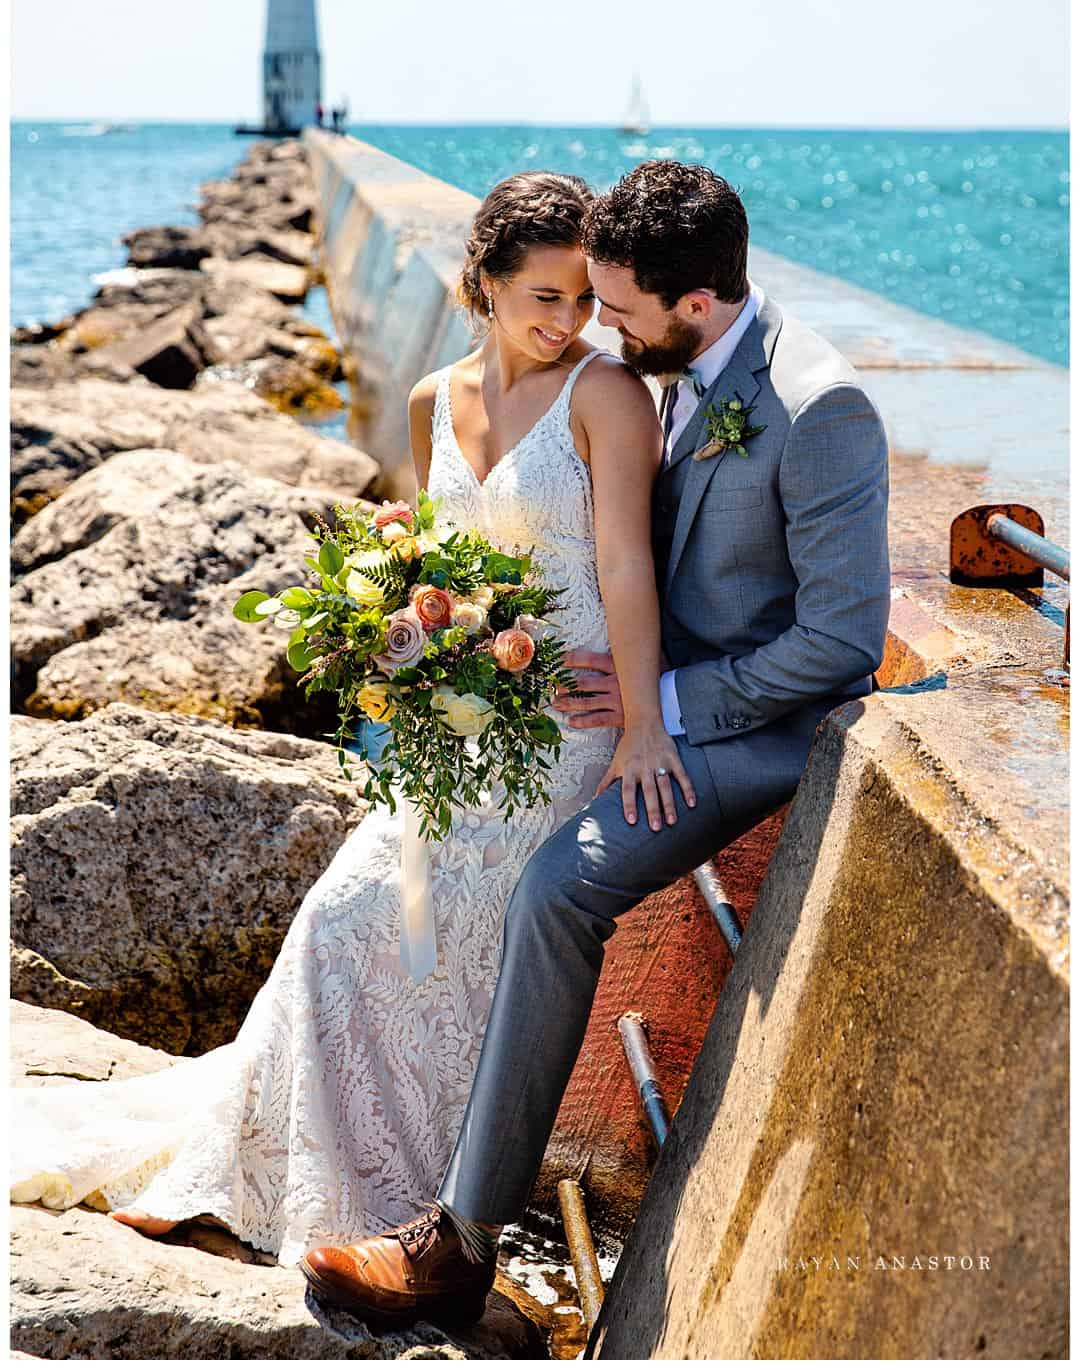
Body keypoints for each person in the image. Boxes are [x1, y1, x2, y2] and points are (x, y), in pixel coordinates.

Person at [10, 169, 688, 1273]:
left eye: (583, 299)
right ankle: (256, 1175)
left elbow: (623, 559)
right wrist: (406, 632)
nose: (570, 322)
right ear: (485, 282)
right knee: (339, 919)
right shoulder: (433, 400)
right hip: (459, 724)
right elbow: (437, 571)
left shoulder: (609, 397)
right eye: (546, 297)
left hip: (564, 735)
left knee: (416, 941)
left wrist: (644, 726)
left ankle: (400, 1207)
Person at [297, 160, 892, 1328]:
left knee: (556, 888)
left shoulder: (822, 409)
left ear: (699, 304)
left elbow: (838, 642)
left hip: (758, 729)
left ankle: (457, 1246)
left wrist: (656, 706)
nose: (595, 334)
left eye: (615, 311)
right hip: (639, 695)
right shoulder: (663, 366)